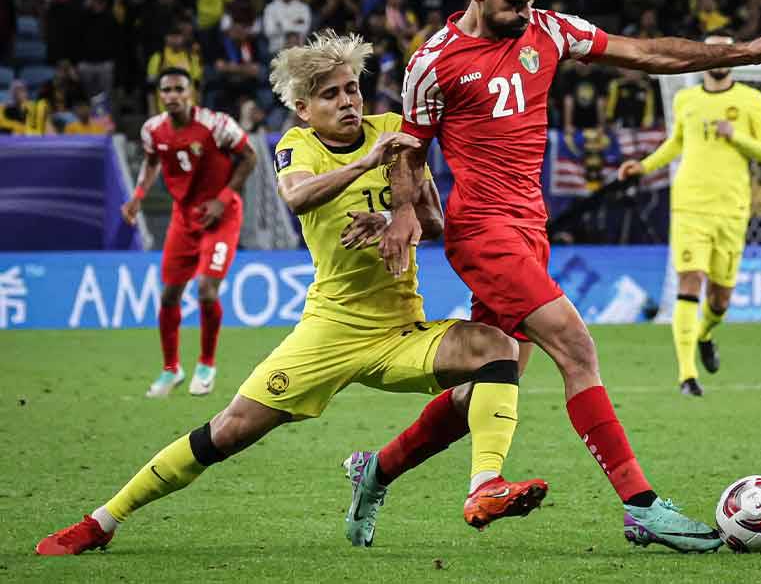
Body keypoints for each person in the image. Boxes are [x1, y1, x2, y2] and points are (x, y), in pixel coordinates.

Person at [35, 32, 546, 556]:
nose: (348, 101)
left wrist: (395, 217)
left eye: (352, 89)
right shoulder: (297, 146)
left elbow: (434, 219)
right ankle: (102, 520)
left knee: (498, 349)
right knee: (228, 431)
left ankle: (484, 486)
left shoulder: (393, 132)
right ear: (303, 108)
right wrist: (365, 164)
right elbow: (298, 196)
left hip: (399, 330)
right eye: (331, 95)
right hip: (329, 331)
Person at [377, 0, 761, 553]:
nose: (524, 13)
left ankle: (375, 472)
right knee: (576, 347)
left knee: (482, 392)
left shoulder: (551, 31)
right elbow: (409, 150)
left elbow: (646, 53)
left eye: (531, 1)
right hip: (483, 232)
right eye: (512, 2)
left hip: (530, 228)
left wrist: (741, 53)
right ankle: (641, 505)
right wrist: (406, 211)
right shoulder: (433, 61)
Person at [618, 32, 761, 396]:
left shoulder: (752, 101)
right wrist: (642, 168)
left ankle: (705, 333)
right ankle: (687, 376)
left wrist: (735, 135)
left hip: (731, 208)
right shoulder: (687, 99)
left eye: (724, 50)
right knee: (689, 282)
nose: (718, 57)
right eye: (712, 51)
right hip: (690, 205)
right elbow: (676, 143)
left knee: (720, 300)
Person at [120, 67, 258, 398]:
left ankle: (206, 365)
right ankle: (171, 370)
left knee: (206, 291)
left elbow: (250, 158)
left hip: (221, 217)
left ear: (190, 92)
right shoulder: (152, 130)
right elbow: (152, 162)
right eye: (165, 90)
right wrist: (138, 197)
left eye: (178, 89)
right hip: (183, 219)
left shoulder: (217, 124)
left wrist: (223, 199)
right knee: (168, 296)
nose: (171, 96)